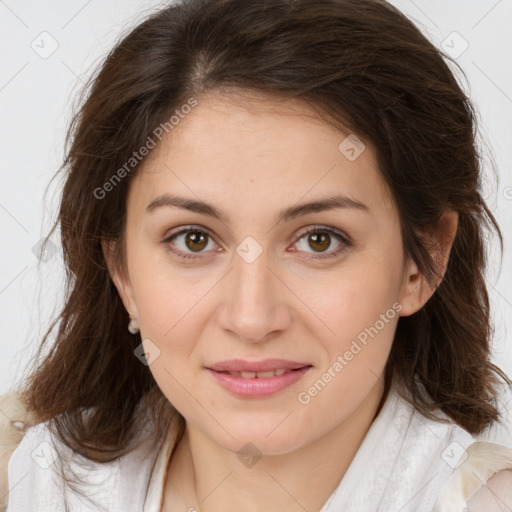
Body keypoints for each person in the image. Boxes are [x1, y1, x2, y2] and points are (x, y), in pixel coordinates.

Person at [1, 0, 511, 510]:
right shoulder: (30, 480)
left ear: (422, 263)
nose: (251, 318)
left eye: (319, 240)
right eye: (193, 240)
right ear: (122, 271)